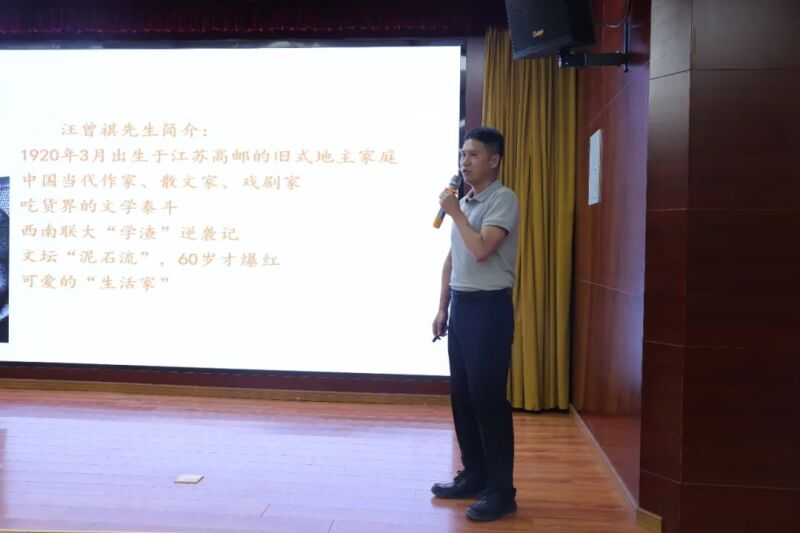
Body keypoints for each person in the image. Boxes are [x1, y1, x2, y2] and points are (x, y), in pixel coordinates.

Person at [431, 127, 519, 521]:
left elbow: (482, 249)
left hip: (489, 310)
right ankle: (474, 475)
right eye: (462, 154)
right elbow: (454, 258)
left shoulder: (503, 199)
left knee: (488, 401)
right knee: (463, 398)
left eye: (473, 155)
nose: (464, 162)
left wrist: (455, 213)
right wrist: (442, 307)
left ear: (494, 160)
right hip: (463, 308)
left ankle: (501, 492)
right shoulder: (464, 201)